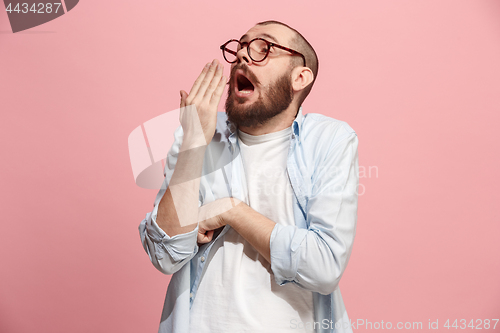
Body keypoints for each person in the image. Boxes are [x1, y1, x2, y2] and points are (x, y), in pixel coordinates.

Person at [139, 20, 359, 333]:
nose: (243, 55)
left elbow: (325, 266)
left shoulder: (330, 140)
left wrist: (231, 210)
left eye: (263, 48)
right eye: (241, 46)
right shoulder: (198, 135)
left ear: (299, 77)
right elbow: (164, 254)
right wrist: (193, 143)